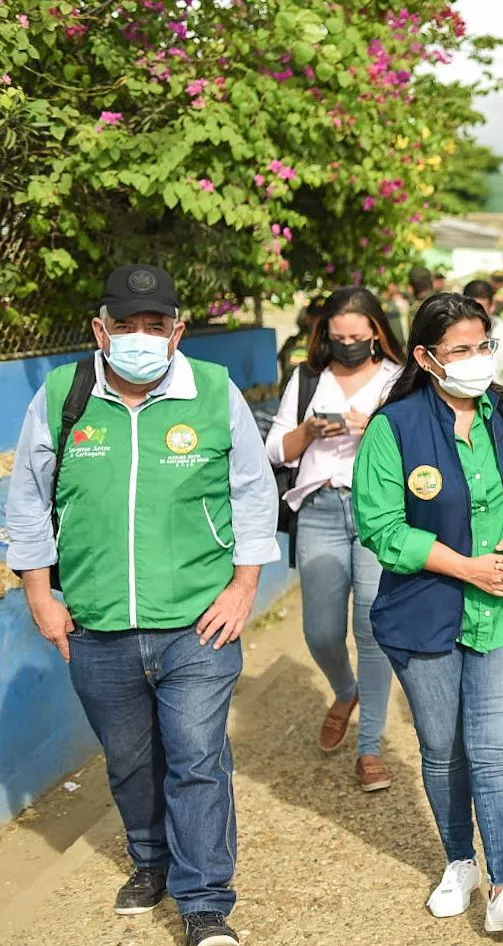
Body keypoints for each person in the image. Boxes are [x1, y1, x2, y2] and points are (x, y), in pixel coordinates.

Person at [4, 264, 280, 946]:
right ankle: (150, 860)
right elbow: (29, 499)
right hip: (96, 622)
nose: (138, 338)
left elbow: (252, 492)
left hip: (197, 620)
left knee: (196, 758)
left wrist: (245, 586)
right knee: (129, 762)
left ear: (177, 331)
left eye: (154, 326)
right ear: (100, 330)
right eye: (124, 325)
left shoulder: (214, 392)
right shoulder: (63, 395)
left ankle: (205, 902)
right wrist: (40, 594)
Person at [352, 292, 503, 932]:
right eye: (460, 351)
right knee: (443, 750)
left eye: (483, 347)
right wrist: (466, 566)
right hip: (425, 614)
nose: (476, 361)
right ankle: (459, 862)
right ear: (425, 357)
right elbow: (382, 527)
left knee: (495, 750)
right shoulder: (396, 429)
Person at [264, 287, 404, 791]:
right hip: (319, 509)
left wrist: (375, 426)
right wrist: (309, 431)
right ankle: (346, 690)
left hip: (377, 512)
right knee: (320, 632)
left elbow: (419, 445)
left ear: (376, 333)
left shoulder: (398, 379)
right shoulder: (306, 378)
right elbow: (275, 449)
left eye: (356, 336)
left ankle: (370, 750)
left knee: (372, 629)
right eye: (337, 336)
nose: (347, 344)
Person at [463, 279, 503, 386]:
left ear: (492, 306)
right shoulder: (451, 334)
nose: (475, 317)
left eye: (480, 312)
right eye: (470, 311)